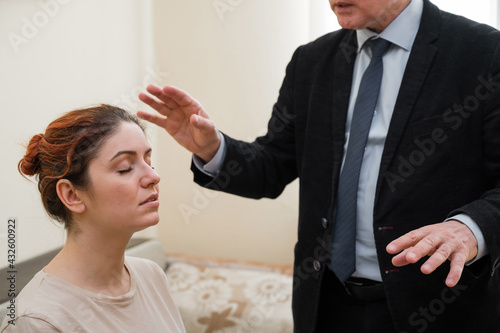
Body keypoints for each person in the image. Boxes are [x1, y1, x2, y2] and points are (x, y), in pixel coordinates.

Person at [138, 0, 500, 332]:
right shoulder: (311, 62)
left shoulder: (483, 52)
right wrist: (214, 149)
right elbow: (272, 166)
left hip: (438, 305)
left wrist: (469, 229)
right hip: (325, 305)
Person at [1, 105, 186, 332]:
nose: (153, 176)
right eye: (126, 168)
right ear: (72, 195)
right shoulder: (37, 320)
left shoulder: (151, 275)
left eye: (149, 162)